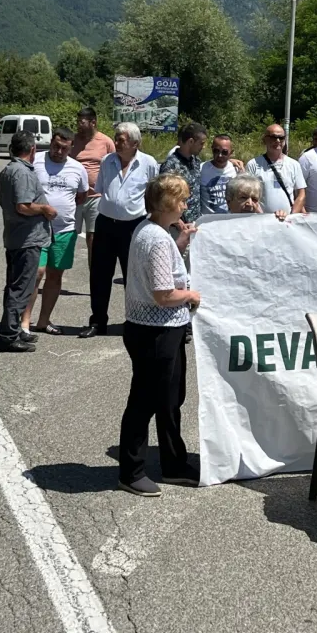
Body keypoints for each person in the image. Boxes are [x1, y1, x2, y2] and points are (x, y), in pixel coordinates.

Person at [118, 175, 200, 496]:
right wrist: (193, 295)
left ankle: (174, 463)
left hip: (162, 329)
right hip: (155, 332)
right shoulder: (154, 238)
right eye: (181, 200)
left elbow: (165, 267)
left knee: (169, 400)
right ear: (166, 204)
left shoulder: (154, 231)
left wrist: (181, 241)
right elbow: (163, 294)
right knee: (145, 401)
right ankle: (131, 470)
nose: (184, 205)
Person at [79, 122, 159, 339]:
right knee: (99, 274)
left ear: (135, 143)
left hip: (134, 226)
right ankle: (97, 321)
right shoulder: (108, 160)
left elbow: (154, 194)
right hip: (106, 223)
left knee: (133, 276)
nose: (116, 142)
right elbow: (103, 190)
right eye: (116, 138)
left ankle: (135, 321)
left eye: (121, 140)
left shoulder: (148, 163)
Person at [21, 127, 89, 335]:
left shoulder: (78, 169)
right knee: (36, 273)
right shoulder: (36, 160)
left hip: (65, 230)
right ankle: (25, 321)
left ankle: (43, 320)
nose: (59, 151)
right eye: (56, 146)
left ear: (71, 148)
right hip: (37, 228)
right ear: (51, 142)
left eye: (64, 149)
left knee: (55, 275)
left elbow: (81, 196)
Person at [0, 131, 56, 353]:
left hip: (18, 237)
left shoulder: (11, 169)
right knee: (20, 288)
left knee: (16, 286)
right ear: (32, 149)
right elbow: (23, 205)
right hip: (25, 239)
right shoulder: (21, 172)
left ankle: (13, 330)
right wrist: (45, 209)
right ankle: (8, 336)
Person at [71, 107, 115, 269]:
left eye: (82, 122)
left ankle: (94, 277)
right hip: (74, 197)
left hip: (96, 198)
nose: (78, 125)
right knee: (67, 236)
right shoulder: (73, 140)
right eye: (77, 122)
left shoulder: (106, 142)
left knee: (93, 238)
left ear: (93, 122)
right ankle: (56, 274)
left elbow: (115, 165)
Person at [246, 124, 306, 218]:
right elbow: (248, 195)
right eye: (273, 137)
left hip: (287, 221)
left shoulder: (294, 164)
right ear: (265, 139)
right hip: (261, 220)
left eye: (281, 138)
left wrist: (292, 217)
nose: (277, 141)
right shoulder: (253, 164)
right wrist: (262, 216)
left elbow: (301, 194)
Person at [160, 122, 207, 224]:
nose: (203, 147)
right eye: (201, 143)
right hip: (178, 226)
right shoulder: (171, 166)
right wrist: (180, 225)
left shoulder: (196, 161)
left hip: (196, 222)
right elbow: (166, 199)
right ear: (191, 141)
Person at [200, 134, 239, 214]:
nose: (220, 155)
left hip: (228, 220)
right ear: (212, 149)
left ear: (231, 152)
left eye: (225, 152)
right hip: (206, 221)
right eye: (216, 151)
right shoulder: (201, 168)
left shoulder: (236, 169)